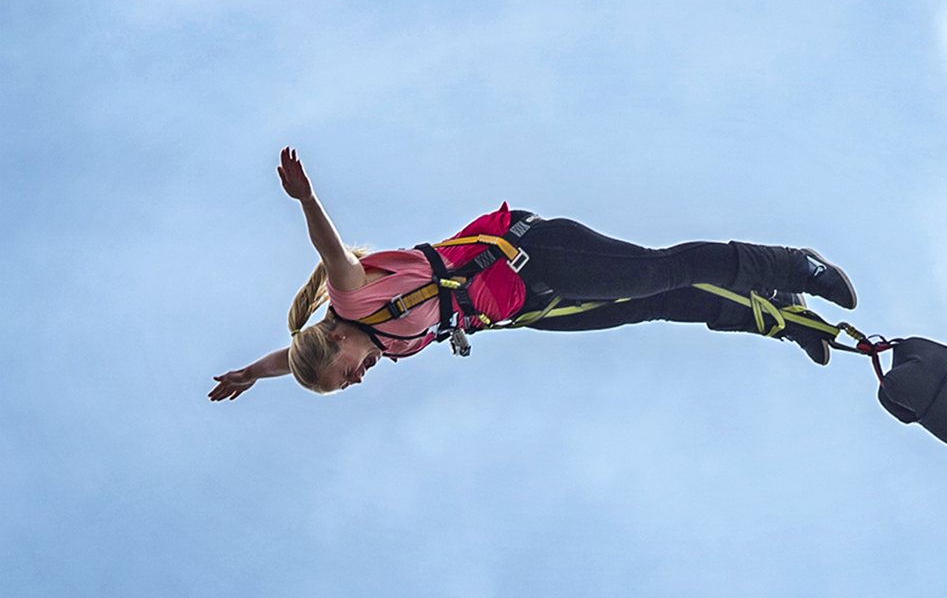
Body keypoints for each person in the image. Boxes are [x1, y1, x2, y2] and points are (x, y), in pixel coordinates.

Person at [208, 148, 858, 401]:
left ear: (335, 337)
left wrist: (306, 199)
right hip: (526, 305)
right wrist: (254, 373)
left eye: (344, 373)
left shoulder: (355, 300)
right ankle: (784, 316)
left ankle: (789, 265)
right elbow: (294, 355)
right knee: (651, 304)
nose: (357, 379)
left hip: (532, 255)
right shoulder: (364, 341)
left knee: (663, 272)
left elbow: (330, 253)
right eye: (347, 385)